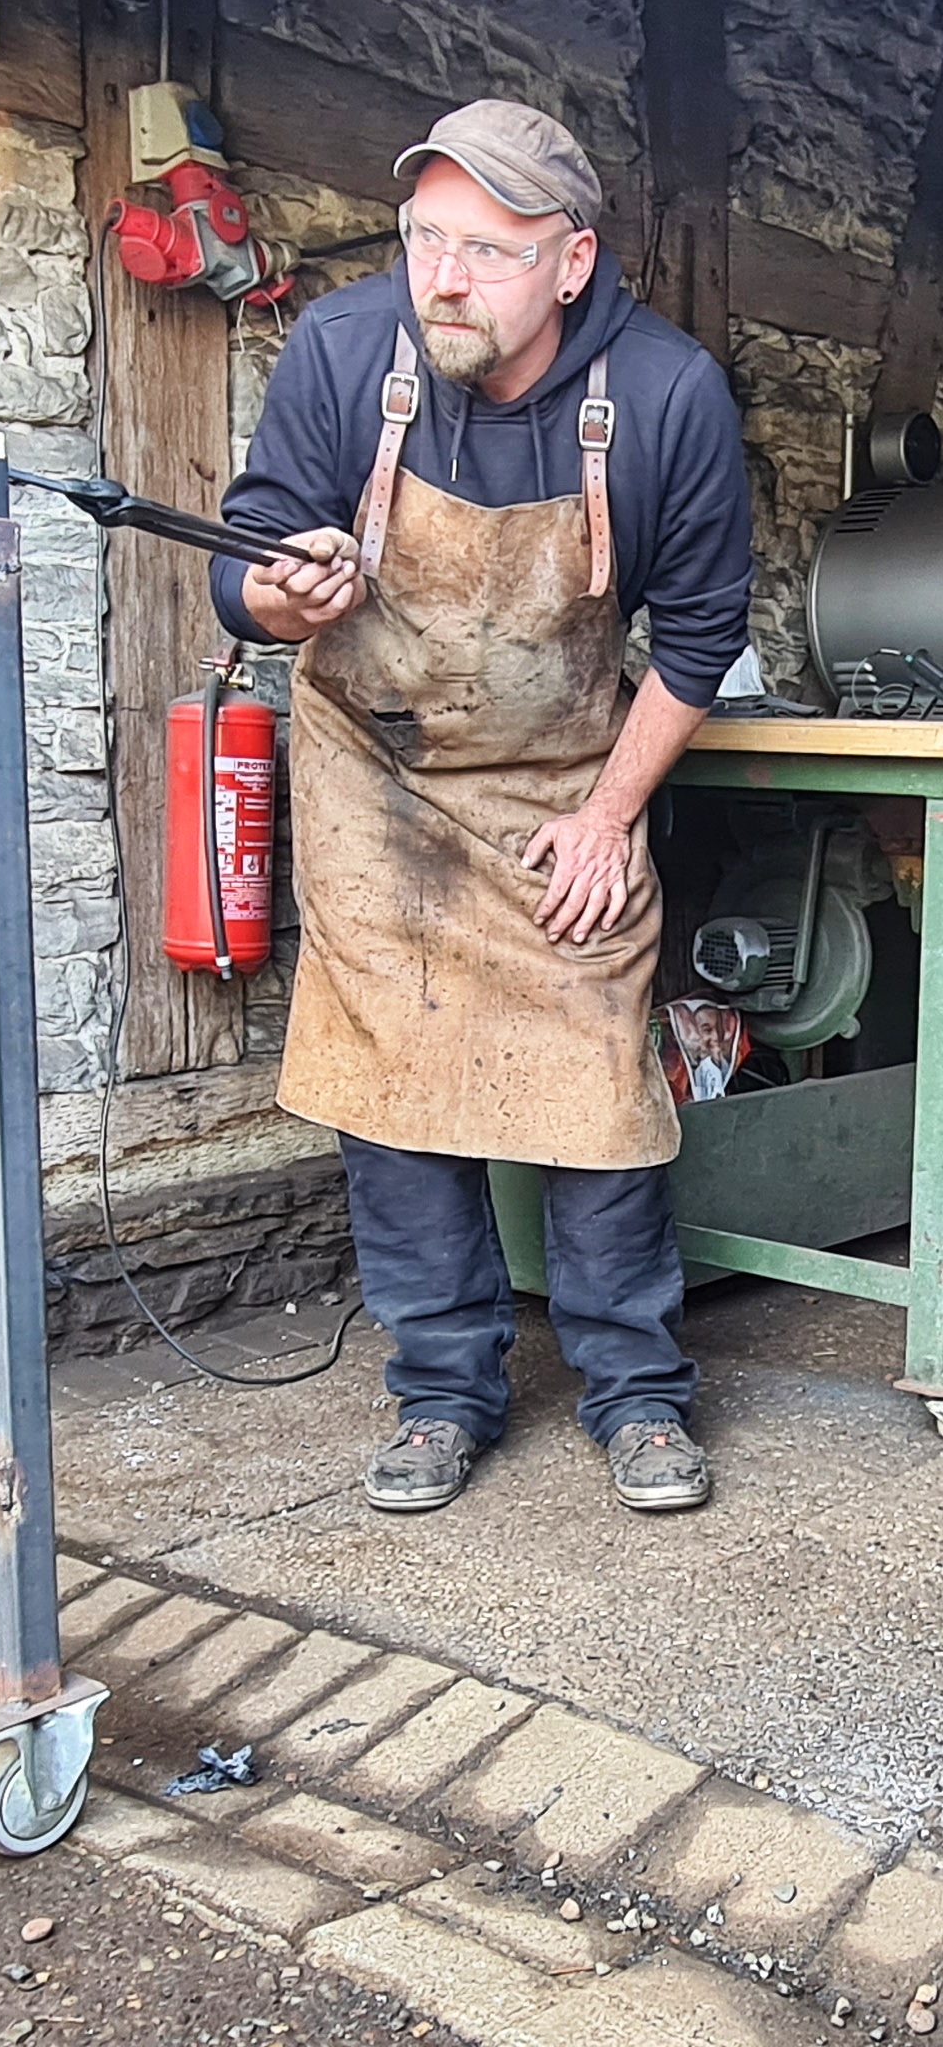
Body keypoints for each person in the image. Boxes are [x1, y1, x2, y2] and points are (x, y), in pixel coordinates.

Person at [212, 100, 751, 1515]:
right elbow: (244, 559)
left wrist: (609, 817)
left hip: (561, 786)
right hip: (373, 777)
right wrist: (279, 590)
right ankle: (442, 1393)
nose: (443, 279)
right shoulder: (344, 349)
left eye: (489, 251)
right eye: (425, 240)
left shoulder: (667, 394)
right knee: (390, 1092)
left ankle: (637, 1393)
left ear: (570, 263)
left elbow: (700, 635)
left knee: (598, 1085)